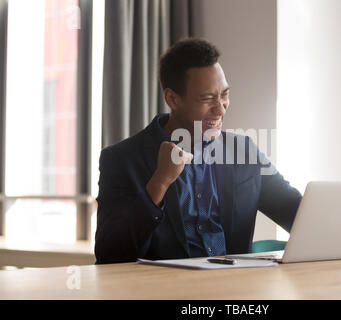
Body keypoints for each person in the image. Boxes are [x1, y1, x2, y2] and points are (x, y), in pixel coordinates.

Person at [95, 38, 302, 264]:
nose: (220, 108)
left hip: (233, 289)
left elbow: (297, 214)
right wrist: (160, 183)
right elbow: (109, 253)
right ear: (173, 99)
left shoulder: (243, 151)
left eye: (224, 95)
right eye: (207, 98)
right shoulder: (122, 159)